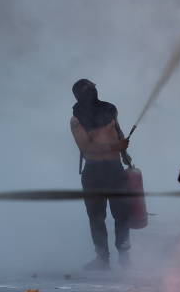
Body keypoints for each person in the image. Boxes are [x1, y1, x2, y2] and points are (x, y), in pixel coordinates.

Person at [70, 79, 131, 270]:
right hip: (94, 172)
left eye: (93, 88)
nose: (93, 92)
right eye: (88, 89)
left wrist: (125, 155)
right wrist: (116, 146)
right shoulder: (76, 120)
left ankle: (125, 257)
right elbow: (86, 148)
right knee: (96, 217)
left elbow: (118, 132)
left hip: (114, 169)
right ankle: (102, 258)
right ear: (79, 95)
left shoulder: (109, 110)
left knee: (122, 214)